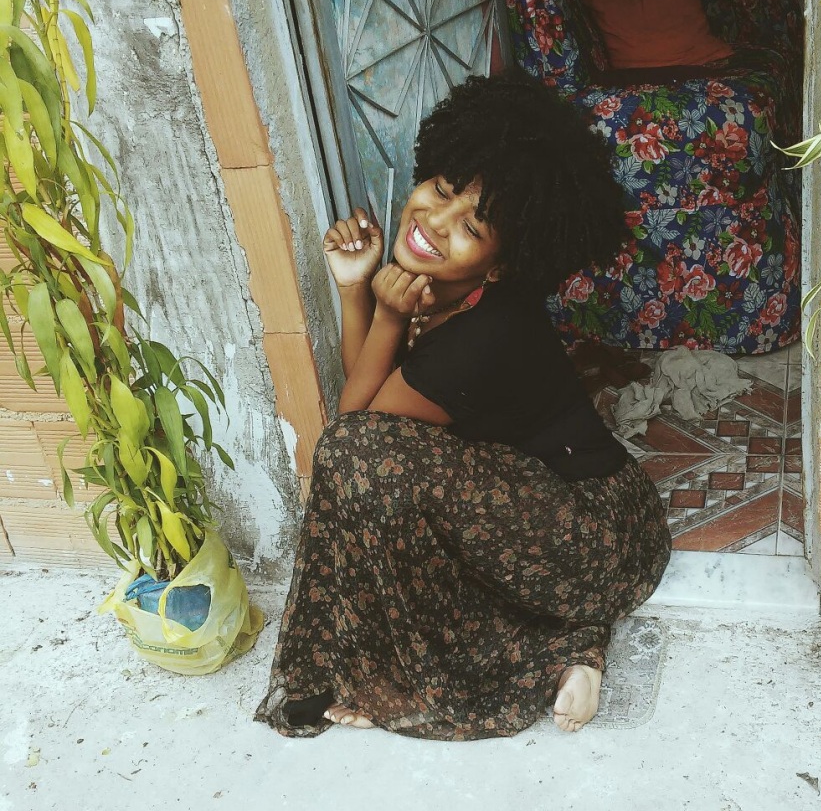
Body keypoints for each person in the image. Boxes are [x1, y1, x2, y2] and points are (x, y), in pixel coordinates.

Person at [255, 73, 671, 740]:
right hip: (531, 511)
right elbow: (371, 413)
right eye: (443, 190)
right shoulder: (452, 292)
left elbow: (356, 437)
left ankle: (563, 653)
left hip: (590, 538)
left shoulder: (488, 333)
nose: (435, 221)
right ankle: (575, 653)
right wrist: (358, 289)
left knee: (362, 462)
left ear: (500, 264)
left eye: (471, 226)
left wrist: (383, 312)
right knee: (381, 486)